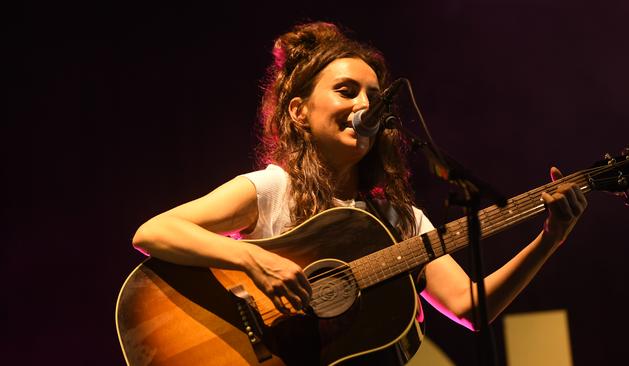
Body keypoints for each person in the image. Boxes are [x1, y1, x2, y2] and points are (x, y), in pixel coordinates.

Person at [132, 21, 587, 364]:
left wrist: (551, 238)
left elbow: (469, 307)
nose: (364, 105)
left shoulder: (401, 220)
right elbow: (154, 232)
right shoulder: (272, 189)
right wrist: (255, 259)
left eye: (375, 96)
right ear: (299, 112)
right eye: (346, 91)